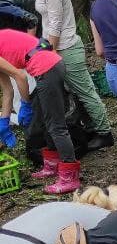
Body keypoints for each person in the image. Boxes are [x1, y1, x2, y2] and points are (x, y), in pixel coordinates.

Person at [22, 0, 114, 150]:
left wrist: (49, 53)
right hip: (54, 46)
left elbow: (54, 23)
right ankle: (91, 126)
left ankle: (105, 132)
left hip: (66, 48)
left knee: (85, 91)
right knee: (76, 92)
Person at [0, 27, 82, 193]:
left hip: (47, 66)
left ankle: (70, 177)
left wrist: (26, 104)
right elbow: (7, 90)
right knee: (46, 120)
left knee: (56, 126)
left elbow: (20, 77)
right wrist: (4, 121)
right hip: (48, 64)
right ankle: (52, 165)